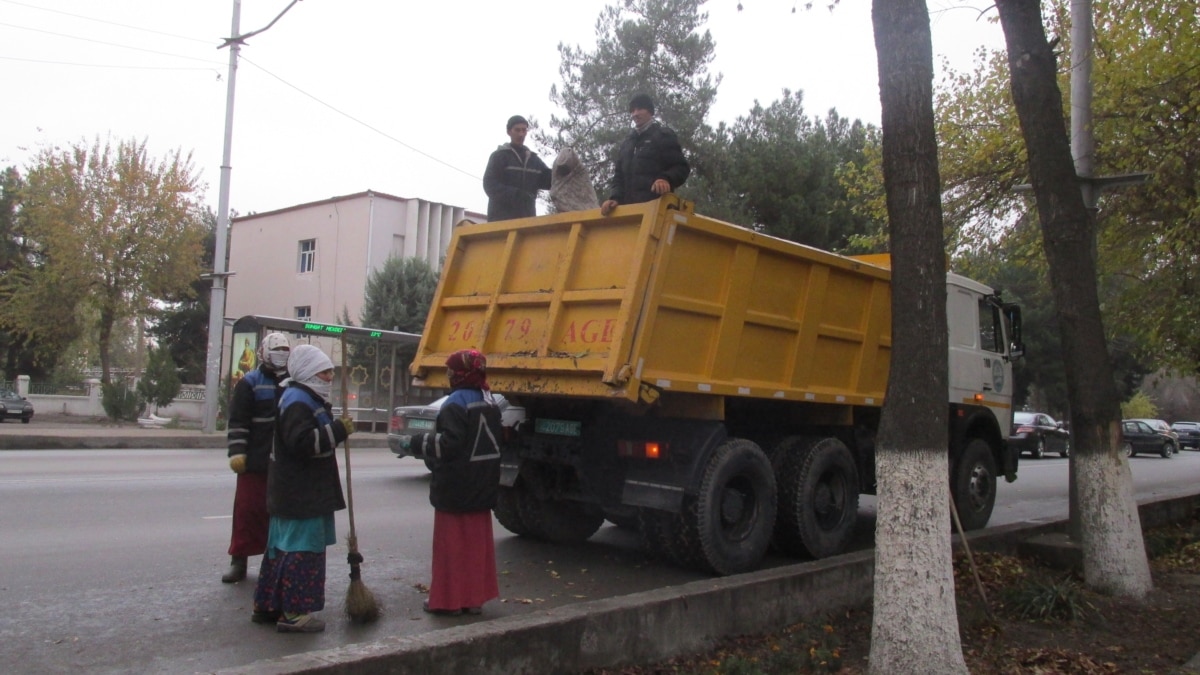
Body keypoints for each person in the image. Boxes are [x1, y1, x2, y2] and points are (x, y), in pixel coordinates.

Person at [251, 344, 354, 633]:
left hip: (294, 492)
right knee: (301, 551)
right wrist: (338, 431)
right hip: (301, 494)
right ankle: (294, 613)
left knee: (280, 550)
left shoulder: (302, 397)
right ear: (308, 373)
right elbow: (302, 444)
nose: (329, 378)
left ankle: (267, 605)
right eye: (324, 373)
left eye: (331, 373)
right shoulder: (298, 401)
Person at [402, 349, 503, 616]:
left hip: (456, 488)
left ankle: (448, 601)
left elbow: (448, 444)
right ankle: (473, 599)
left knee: (452, 548)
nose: (448, 376)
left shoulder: (455, 402)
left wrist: (416, 442)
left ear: (461, 374)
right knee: (475, 549)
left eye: (450, 371)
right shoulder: (489, 399)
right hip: (482, 486)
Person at [222, 332, 290, 584]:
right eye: (277, 349)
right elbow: (238, 422)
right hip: (254, 463)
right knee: (247, 512)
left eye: (285, 349)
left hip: (282, 464)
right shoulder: (250, 382)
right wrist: (237, 452)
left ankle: (272, 564)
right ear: (263, 352)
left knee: (278, 517)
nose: (281, 354)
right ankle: (238, 560)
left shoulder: (291, 383)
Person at [600, 93, 690, 216]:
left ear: (650, 112)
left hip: (657, 213)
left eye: (639, 109)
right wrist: (615, 198)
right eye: (632, 110)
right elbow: (618, 176)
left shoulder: (663, 136)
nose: (635, 114)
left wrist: (665, 179)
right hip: (628, 215)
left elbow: (681, 168)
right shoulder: (627, 144)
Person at [483, 115, 552, 221]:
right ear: (509, 132)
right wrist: (516, 194)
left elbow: (549, 180)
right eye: (517, 130)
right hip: (500, 222)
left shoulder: (533, 160)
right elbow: (489, 185)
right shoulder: (499, 156)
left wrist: (564, 171)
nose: (521, 134)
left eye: (524, 130)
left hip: (527, 222)